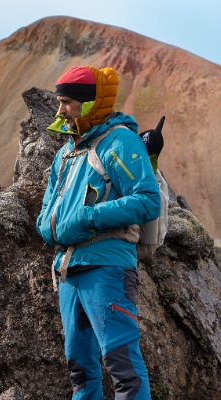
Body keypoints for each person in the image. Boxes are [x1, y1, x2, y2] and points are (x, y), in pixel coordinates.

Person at [36, 65, 161, 400]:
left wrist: (88, 216)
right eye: (59, 102)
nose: (60, 109)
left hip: (107, 268)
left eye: (66, 102)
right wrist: (46, 224)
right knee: (80, 369)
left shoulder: (120, 140)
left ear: (88, 103)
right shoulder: (65, 152)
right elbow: (49, 208)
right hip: (68, 271)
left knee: (122, 366)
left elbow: (148, 201)